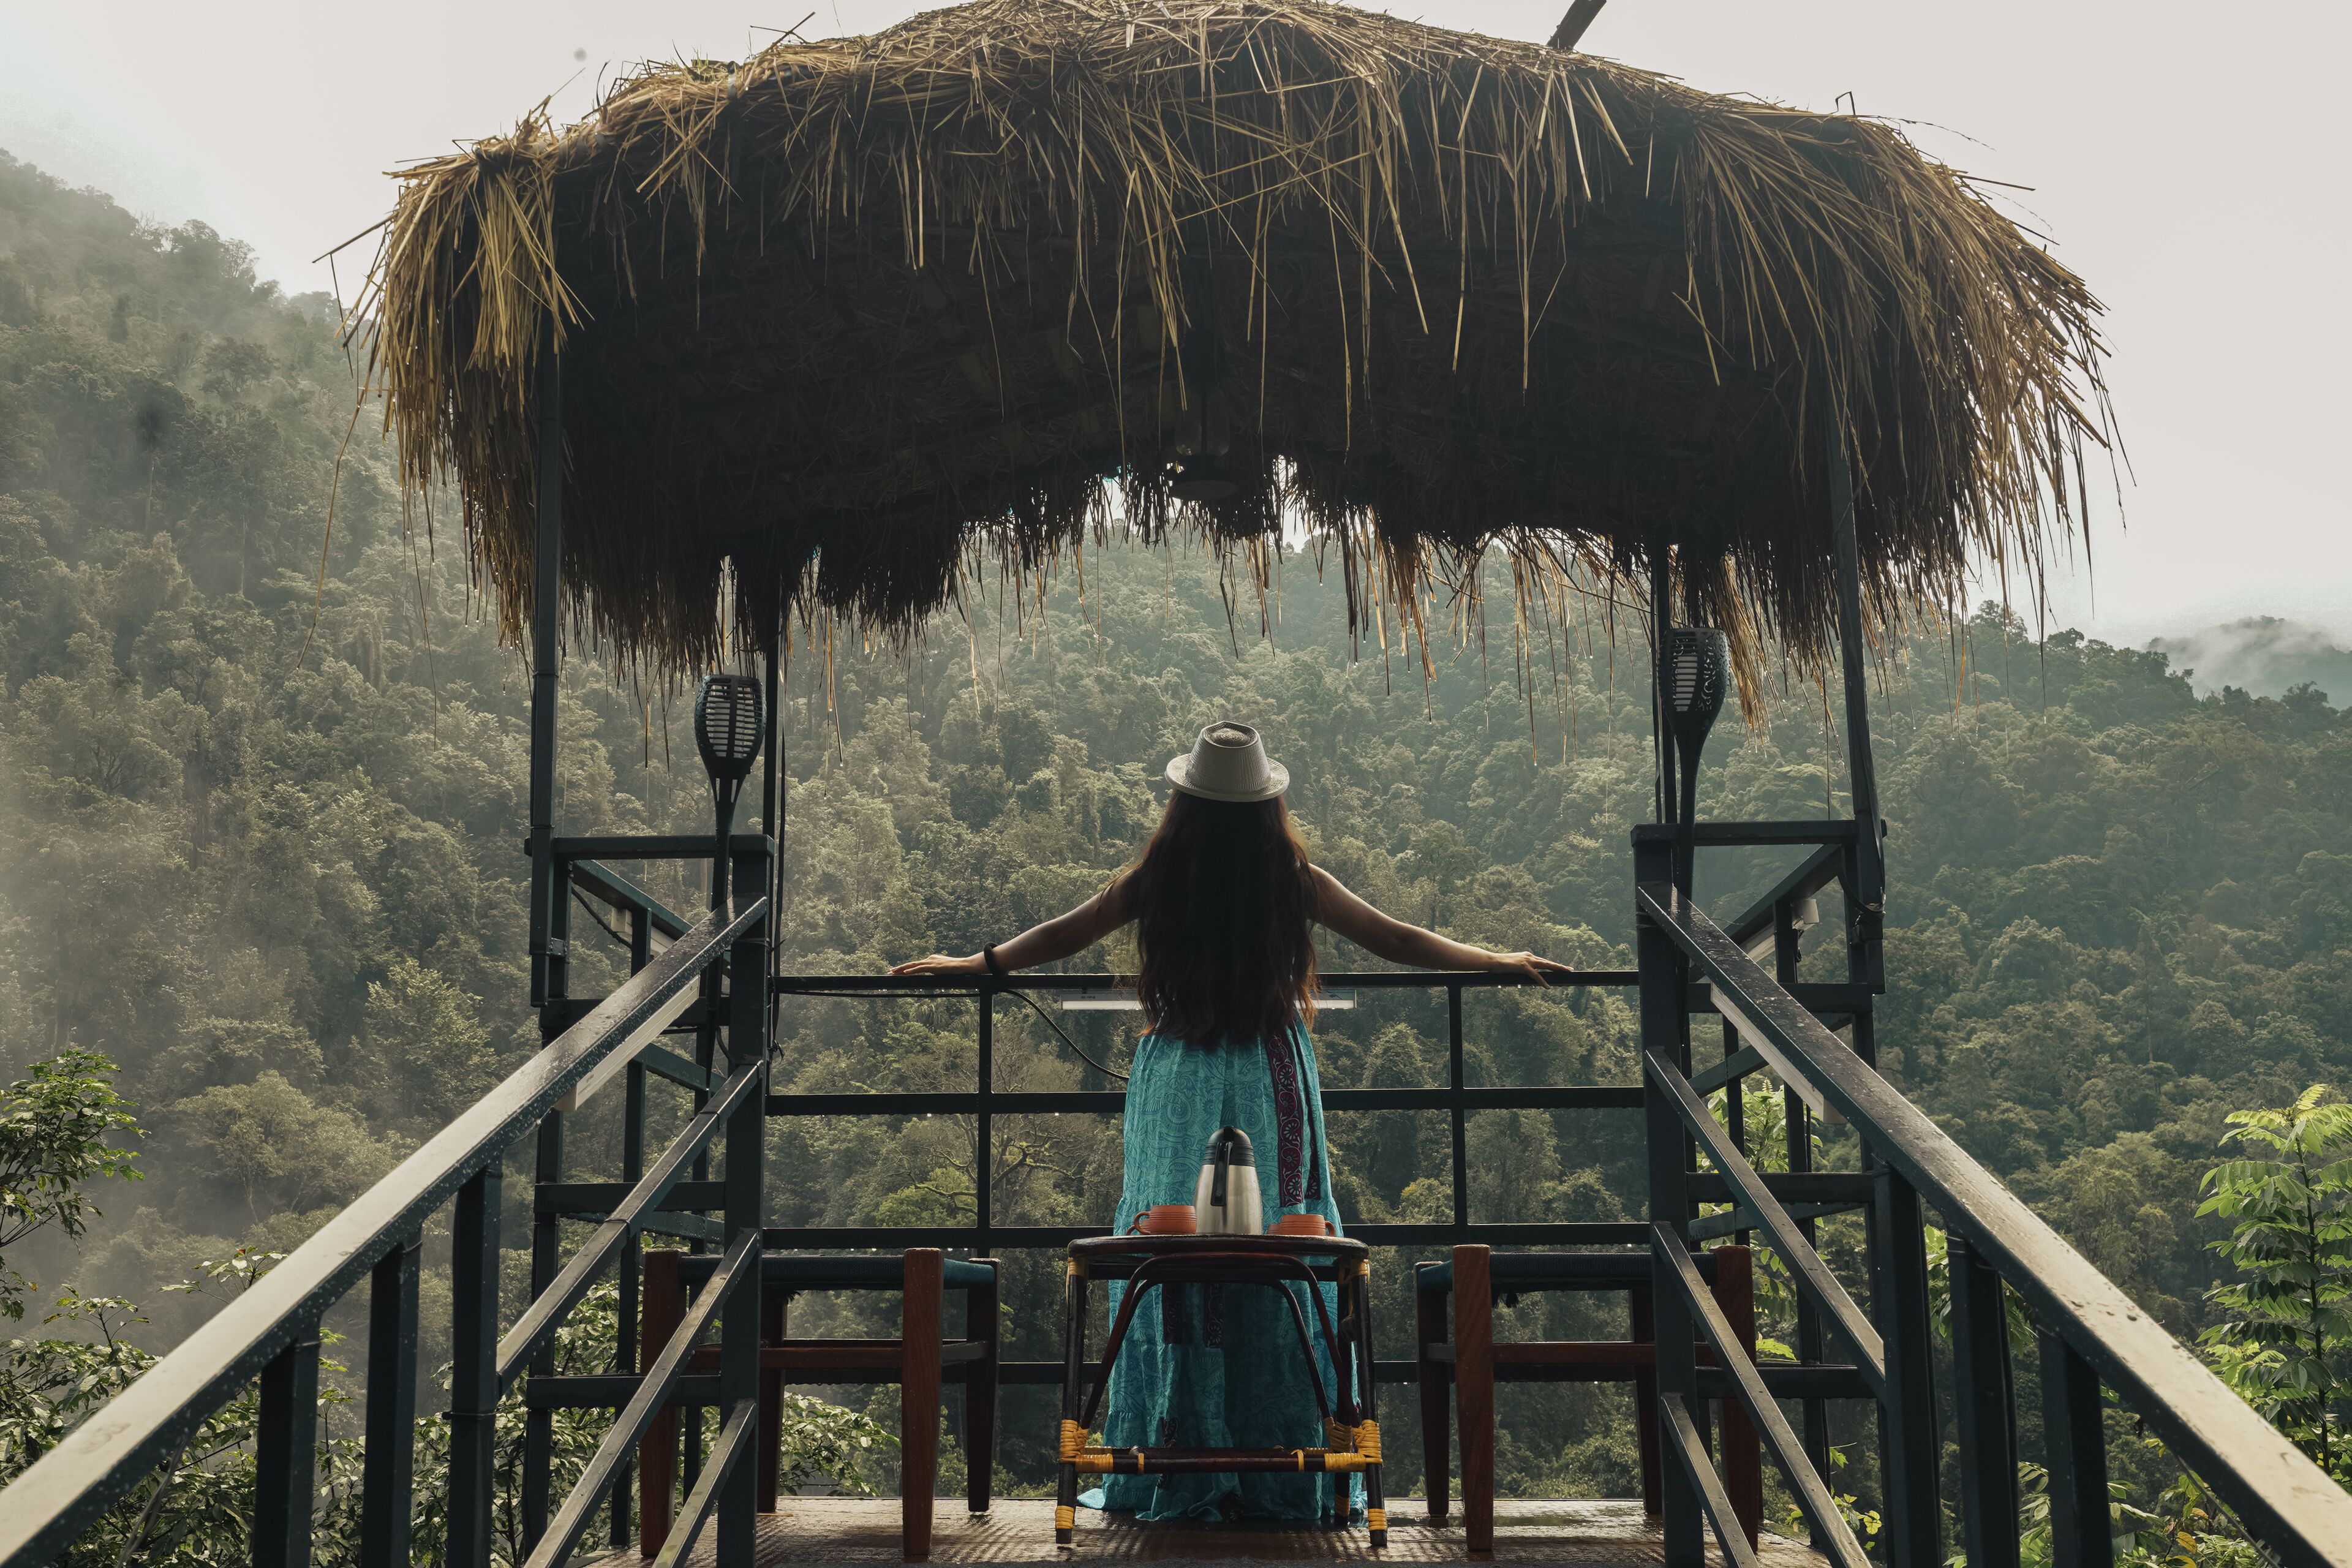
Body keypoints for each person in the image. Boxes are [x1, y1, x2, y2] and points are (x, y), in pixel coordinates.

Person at [889, 721, 1570, 1525]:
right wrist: (1497, 961)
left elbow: (1060, 934)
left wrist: (974, 966)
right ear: (1266, 805)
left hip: (1177, 1073)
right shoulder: (1292, 877)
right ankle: (1283, 1460)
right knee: (1284, 1240)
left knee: (1166, 1248)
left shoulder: (1161, 875)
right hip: (1272, 1072)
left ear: (1184, 802)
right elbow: (1396, 937)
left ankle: (1173, 1455)